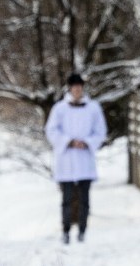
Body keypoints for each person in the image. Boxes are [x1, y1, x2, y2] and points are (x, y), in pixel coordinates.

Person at [45, 73, 108, 244]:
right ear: (70, 89)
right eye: (74, 87)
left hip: (84, 159)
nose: (77, 90)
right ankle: (66, 230)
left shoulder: (93, 108)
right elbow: (51, 130)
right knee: (66, 199)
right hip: (66, 160)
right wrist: (68, 142)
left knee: (84, 199)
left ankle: (82, 230)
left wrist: (87, 143)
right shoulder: (59, 109)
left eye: (80, 87)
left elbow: (101, 131)